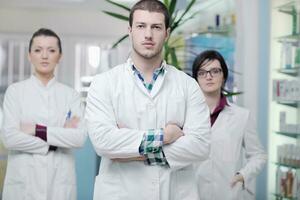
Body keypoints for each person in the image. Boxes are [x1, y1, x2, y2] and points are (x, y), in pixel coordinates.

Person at [85, 0, 211, 199]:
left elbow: (200, 145)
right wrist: (165, 136)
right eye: (141, 26)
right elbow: (103, 141)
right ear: (130, 30)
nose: (148, 34)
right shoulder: (103, 84)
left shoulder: (188, 86)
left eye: (156, 27)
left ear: (167, 33)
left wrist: (131, 152)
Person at [0, 28, 87, 200]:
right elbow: (9, 138)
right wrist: (54, 143)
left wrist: (36, 129)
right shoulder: (15, 92)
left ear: (60, 56)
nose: (44, 56)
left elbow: (78, 138)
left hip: (59, 186)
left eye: (52, 50)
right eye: (38, 50)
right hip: (23, 186)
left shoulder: (71, 96)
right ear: (29, 55)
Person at [192, 50, 267, 200]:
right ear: (196, 79)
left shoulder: (241, 116)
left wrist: (242, 175)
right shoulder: (186, 116)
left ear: (224, 76)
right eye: (202, 72)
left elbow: (259, 155)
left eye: (215, 71)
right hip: (193, 192)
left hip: (229, 193)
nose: (209, 76)